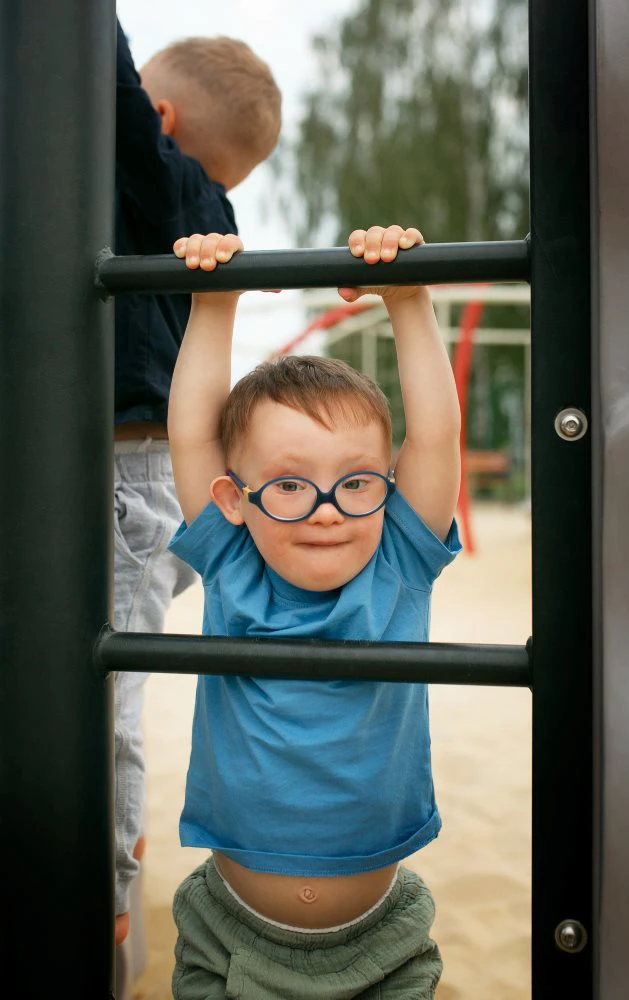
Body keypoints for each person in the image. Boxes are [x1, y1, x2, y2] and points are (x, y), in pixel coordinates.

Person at [165, 223, 462, 998]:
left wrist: (406, 299)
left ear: (387, 491)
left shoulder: (396, 565)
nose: (327, 510)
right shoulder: (234, 564)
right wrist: (212, 303)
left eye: (356, 481)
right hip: (228, 931)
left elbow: (434, 435)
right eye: (291, 484)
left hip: (381, 943)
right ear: (235, 502)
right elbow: (193, 437)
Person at [113, 16, 282, 958]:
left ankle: (108, 927)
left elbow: (116, 118)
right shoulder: (173, 205)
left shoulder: (186, 193)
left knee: (102, 710)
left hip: (129, 487)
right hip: (125, 484)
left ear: (161, 116)